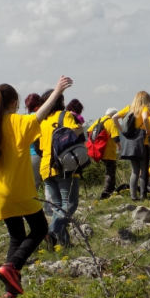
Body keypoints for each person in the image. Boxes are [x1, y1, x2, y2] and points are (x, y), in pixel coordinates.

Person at [0, 76, 73, 298]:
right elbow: (38, 116)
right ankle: (11, 266)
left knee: (16, 236)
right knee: (40, 228)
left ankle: (9, 293)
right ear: (12, 104)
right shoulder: (15, 122)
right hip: (18, 187)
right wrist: (57, 91)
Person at [39, 87, 84, 247]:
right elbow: (73, 133)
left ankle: (63, 243)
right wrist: (79, 129)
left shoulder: (42, 121)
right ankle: (51, 232)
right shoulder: (64, 116)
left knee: (58, 206)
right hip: (64, 166)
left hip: (46, 167)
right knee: (70, 203)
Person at [114, 92, 150, 201]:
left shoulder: (128, 108)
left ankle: (133, 196)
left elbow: (114, 117)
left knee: (135, 170)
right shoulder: (145, 109)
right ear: (145, 100)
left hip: (130, 144)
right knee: (144, 170)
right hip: (142, 143)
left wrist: (122, 131)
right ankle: (143, 195)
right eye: (149, 99)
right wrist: (148, 130)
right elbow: (145, 118)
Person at [88, 108, 120, 199]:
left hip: (99, 150)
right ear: (112, 115)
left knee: (110, 170)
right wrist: (121, 149)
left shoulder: (98, 120)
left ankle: (111, 190)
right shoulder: (111, 122)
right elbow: (116, 137)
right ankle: (106, 192)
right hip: (109, 151)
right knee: (110, 171)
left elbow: (88, 132)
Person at [24, 93, 43, 190]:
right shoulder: (39, 118)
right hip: (37, 153)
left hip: (26, 154)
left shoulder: (25, 118)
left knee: (29, 183)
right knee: (36, 184)